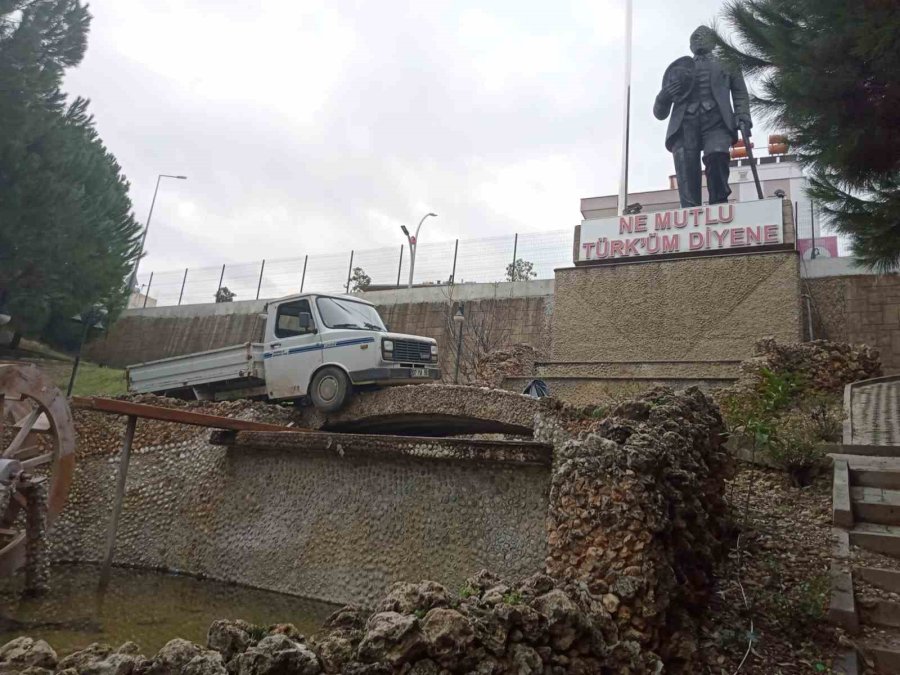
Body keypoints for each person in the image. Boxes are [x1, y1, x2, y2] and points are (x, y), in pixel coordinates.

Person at [654, 26, 752, 207]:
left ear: (713, 42)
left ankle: (718, 202)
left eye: (703, 37)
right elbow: (660, 113)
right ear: (690, 45)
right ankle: (690, 213)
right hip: (685, 124)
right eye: (694, 38)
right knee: (686, 168)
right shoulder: (679, 69)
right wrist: (663, 97)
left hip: (716, 121)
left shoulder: (728, 65)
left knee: (717, 155)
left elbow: (740, 93)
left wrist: (743, 115)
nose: (698, 41)